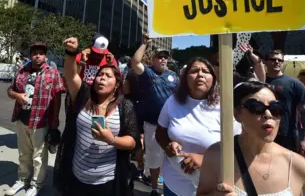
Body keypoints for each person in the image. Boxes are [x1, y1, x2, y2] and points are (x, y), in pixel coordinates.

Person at [197, 81, 305, 196]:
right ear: (237, 114)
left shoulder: (294, 163)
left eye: (275, 108)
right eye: (256, 107)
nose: (268, 114)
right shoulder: (217, 155)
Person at [54, 37, 139, 196]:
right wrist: (72, 52)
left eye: (108, 76)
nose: (102, 78)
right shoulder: (84, 96)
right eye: (100, 75)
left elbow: (132, 142)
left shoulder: (125, 106)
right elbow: (71, 75)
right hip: (76, 176)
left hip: (106, 181)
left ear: (116, 84)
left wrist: (111, 139)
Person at [156, 57, 242, 196]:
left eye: (206, 71)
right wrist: (168, 145)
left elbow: (238, 146)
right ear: (185, 78)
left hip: (211, 188)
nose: (200, 74)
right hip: (173, 184)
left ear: (213, 78)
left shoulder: (225, 106)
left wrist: (205, 159)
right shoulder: (172, 101)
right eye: (195, 71)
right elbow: (160, 132)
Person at [6, 43, 64, 196]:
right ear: (30, 55)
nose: (38, 56)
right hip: (22, 119)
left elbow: (57, 96)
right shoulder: (22, 71)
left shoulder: (53, 73)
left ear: (45, 56)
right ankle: (23, 179)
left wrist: (55, 118)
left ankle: (36, 184)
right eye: (35, 53)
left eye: (41, 53)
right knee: (23, 153)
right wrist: (17, 95)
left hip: (41, 120)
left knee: (38, 156)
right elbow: (10, 90)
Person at [131, 33, 179, 196]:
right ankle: (153, 189)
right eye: (159, 57)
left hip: (172, 125)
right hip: (153, 124)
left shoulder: (174, 76)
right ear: (153, 59)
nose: (163, 60)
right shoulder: (148, 73)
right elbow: (135, 62)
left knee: (172, 157)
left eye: (165, 57)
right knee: (153, 158)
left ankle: (169, 187)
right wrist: (144, 43)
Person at [264, 50, 305, 156]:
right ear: (265, 62)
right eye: (273, 59)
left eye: (280, 60)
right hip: (261, 134)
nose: (277, 62)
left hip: (287, 137)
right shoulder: (258, 81)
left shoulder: (295, 84)